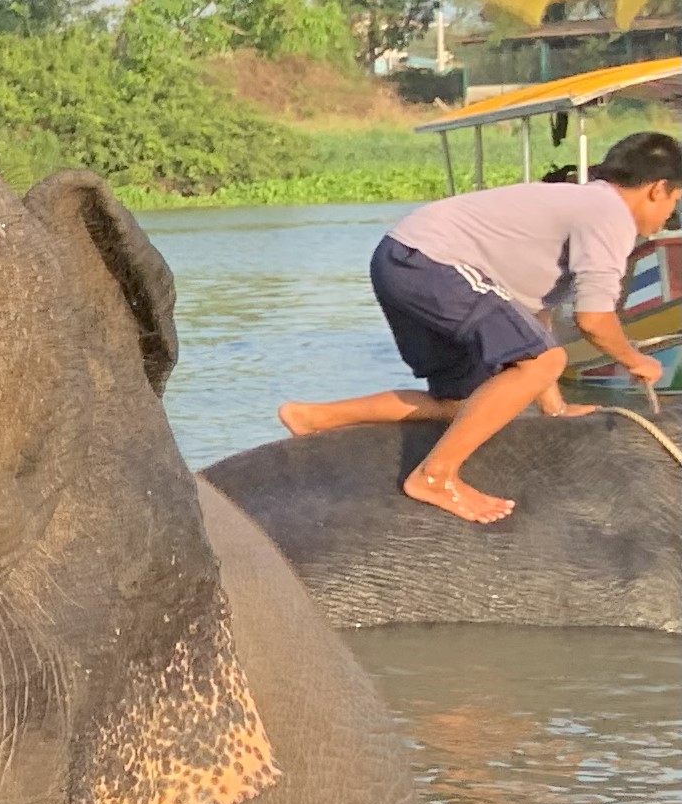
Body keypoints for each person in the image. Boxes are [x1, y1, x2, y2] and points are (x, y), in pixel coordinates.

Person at [280, 129, 682, 522]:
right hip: (431, 262)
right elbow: (593, 319)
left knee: (461, 404)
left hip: (402, 257)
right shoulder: (609, 214)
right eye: (674, 202)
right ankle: (434, 476)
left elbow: (537, 324)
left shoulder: (585, 205)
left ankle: (315, 417)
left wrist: (554, 409)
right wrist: (635, 359)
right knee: (544, 360)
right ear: (658, 189)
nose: (669, 216)